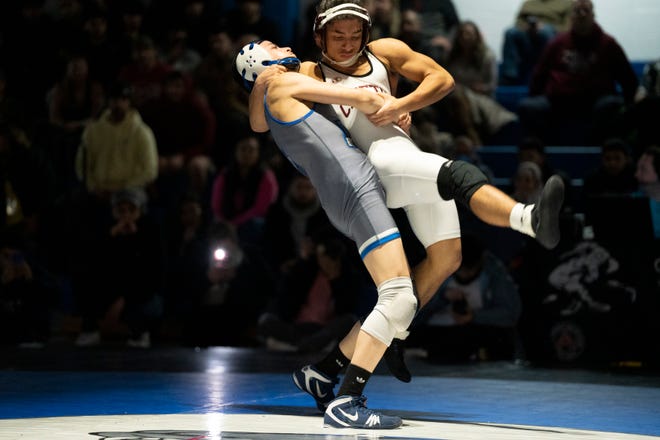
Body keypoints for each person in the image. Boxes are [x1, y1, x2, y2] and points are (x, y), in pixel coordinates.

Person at [261, 0, 563, 387]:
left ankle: (329, 368)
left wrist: (401, 105)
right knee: (456, 175)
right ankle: (529, 219)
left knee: (446, 258)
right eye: (338, 37)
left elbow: (442, 79)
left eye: (355, 35)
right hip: (377, 165)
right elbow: (261, 113)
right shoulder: (308, 71)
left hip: (406, 155)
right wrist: (268, 72)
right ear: (319, 36)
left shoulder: (385, 52)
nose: (348, 43)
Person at [235, 40, 417, 429]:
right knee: (400, 297)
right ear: (260, 63)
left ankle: (322, 372)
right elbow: (356, 97)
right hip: (354, 189)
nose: (282, 44)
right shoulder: (282, 86)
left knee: (398, 305)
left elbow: (255, 123)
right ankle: (347, 401)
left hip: (347, 192)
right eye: (271, 46)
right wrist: (399, 107)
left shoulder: (270, 96)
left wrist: (258, 85)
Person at [518, 0, 639, 145]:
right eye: (577, 11)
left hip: (596, 102)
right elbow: (539, 75)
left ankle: (597, 151)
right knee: (528, 107)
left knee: (612, 105)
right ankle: (545, 153)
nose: (581, 15)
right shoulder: (557, 43)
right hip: (559, 101)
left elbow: (627, 78)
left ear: (593, 15)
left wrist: (631, 102)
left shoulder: (608, 44)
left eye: (585, 11)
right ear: (571, 17)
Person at [408, 232, 522, 362]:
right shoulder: (437, 269)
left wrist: (473, 316)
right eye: (461, 270)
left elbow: (511, 314)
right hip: (435, 330)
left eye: (470, 270)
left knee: (495, 338)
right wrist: (442, 298)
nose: (465, 275)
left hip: (475, 331)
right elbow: (412, 314)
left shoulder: (494, 273)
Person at [257, 232, 362, 353]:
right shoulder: (307, 272)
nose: (324, 261)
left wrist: (335, 279)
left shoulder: (350, 278)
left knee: (350, 321)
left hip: (324, 331)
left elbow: (344, 310)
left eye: (327, 257)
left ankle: (301, 347)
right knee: (266, 320)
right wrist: (302, 262)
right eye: (320, 257)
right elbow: (285, 301)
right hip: (297, 328)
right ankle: (304, 345)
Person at [210, 134, 279, 246]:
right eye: (243, 149)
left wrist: (235, 223)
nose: (246, 154)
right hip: (226, 221)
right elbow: (216, 203)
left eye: (251, 150)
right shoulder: (226, 174)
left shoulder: (266, 177)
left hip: (250, 222)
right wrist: (225, 222)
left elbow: (261, 208)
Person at [500, 0, 573, 86]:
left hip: (551, 39)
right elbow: (518, 23)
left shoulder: (568, 3)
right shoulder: (528, 4)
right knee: (510, 33)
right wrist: (529, 28)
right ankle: (510, 75)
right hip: (527, 37)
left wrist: (543, 27)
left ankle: (547, 74)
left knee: (545, 32)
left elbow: (567, 29)